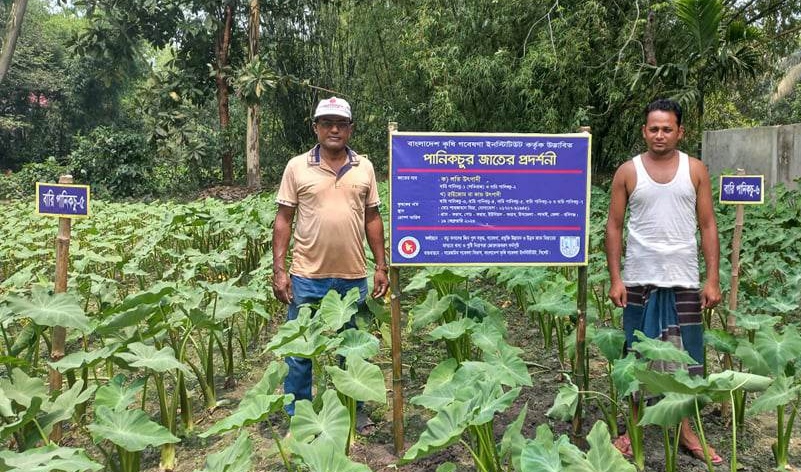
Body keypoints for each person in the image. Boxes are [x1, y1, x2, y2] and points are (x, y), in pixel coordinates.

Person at [605, 99, 723, 464]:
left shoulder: (696, 170)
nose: (659, 135)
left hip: (684, 279)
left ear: (680, 131)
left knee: (686, 356)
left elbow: (707, 225)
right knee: (636, 355)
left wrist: (713, 278)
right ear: (644, 131)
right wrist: (615, 278)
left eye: (667, 128)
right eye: (653, 128)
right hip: (640, 277)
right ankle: (632, 428)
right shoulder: (628, 171)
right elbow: (613, 226)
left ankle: (686, 430)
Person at [271, 96, 389, 431]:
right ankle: (299, 414)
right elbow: (283, 219)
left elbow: (373, 218)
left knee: (352, 347)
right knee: (299, 349)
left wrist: (380, 265)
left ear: (350, 128)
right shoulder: (297, 166)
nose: (334, 129)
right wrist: (279, 270)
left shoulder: (364, 167)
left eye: (341, 123)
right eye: (326, 123)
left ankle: (355, 407)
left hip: (353, 275)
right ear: (316, 127)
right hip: (307, 274)